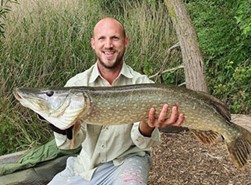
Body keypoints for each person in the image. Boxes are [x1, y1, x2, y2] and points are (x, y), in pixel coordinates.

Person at [48, 17, 184, 185]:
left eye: (115, 38)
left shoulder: (142, 85)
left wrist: (148, 125)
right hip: (85, 167)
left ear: (125, 42)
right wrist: (60, 127)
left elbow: (143, 143)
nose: (108, 45)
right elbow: (70, 144)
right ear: (93, 44)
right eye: (102, 38)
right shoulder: (76, 86)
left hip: (128, 162)